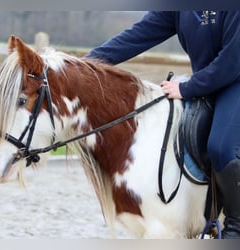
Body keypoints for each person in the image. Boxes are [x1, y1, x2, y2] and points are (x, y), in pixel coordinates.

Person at [86, 11, 240, 239]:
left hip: (235, 77)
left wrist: (188, 88)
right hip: (207, 80)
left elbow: (232, 60)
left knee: (221, 147)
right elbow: (138, 36)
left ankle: (236, 226)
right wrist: (84, 64)